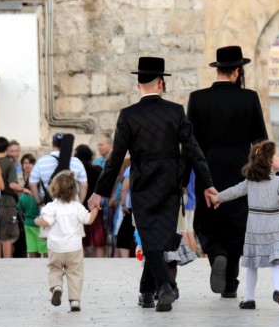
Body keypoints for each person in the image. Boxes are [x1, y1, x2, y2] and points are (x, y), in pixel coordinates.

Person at [88, 56, 215, 312]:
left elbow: (115, 160)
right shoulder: (175, 111)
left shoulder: (128, 115)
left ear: (138, 85)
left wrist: (99, 192)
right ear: (160, 83)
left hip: (143, 183)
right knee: (158, 239)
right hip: (171, 183)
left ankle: (164, 287)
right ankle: (147, 293)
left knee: (149, 240)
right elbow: (193, 151)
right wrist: (207, 183)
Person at [187, 45, 268, 298]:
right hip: (240, 172)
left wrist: (184, 177)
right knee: (236, 226)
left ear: (219, 69)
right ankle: (230, 283)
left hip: (207, 171)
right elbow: (260, 143)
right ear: (236, 71)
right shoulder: (249, 98)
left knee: (207, 223)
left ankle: (217, 255)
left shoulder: (198, 98)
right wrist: (262, 173)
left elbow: (191, 143)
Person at [210, 141, 279, 311]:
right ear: (269, 160)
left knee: (252, 263)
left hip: (254, 227)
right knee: (276, 261)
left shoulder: (250, 181)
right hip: (274, 225)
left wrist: (217, 198)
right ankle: (277, 290)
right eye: (278, 155)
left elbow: (234, 191)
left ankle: (250, 299)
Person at [35, 170, 99, 312]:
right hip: (74, 247)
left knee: (55, 269)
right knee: (75, 273)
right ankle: (75, 301)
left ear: (53, 189)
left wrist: (37, 220)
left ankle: (57, 286)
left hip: (55, 247)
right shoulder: (77, 207)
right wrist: (95, 209)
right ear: (73, 190)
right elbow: (88, 220)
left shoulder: (51, 207)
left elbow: (46, 222)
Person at [29, 133, 88, 207]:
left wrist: (40, 204)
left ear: (52, 144)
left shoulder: (41, 162)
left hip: (49, 205)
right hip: (72, 206)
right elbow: (84, 185)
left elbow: (32, 184)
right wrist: (79, 204)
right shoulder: (77, 162)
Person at [0, 136, 24, 258]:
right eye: (12, 151)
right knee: (7, 235)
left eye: (17, 151)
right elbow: (12, 184)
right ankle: (7, 262)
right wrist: (24, 189)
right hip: (7, 202)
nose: (14, 153)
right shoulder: (8, 163)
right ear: (7, 149)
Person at [74, 144, 106, 258]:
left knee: (80, 240)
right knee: (98, 241)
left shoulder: (74, 172)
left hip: (79, 208)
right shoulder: (98, 170)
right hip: (95, 208)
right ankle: (101, 264)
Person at [17, 154, 46, 258]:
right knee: (43, 247)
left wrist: (23, 220)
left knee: (31, 248)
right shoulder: (41, 197)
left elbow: (20, 211)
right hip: (40, 225)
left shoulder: (23, 197)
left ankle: (33, 265)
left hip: (28, 224)